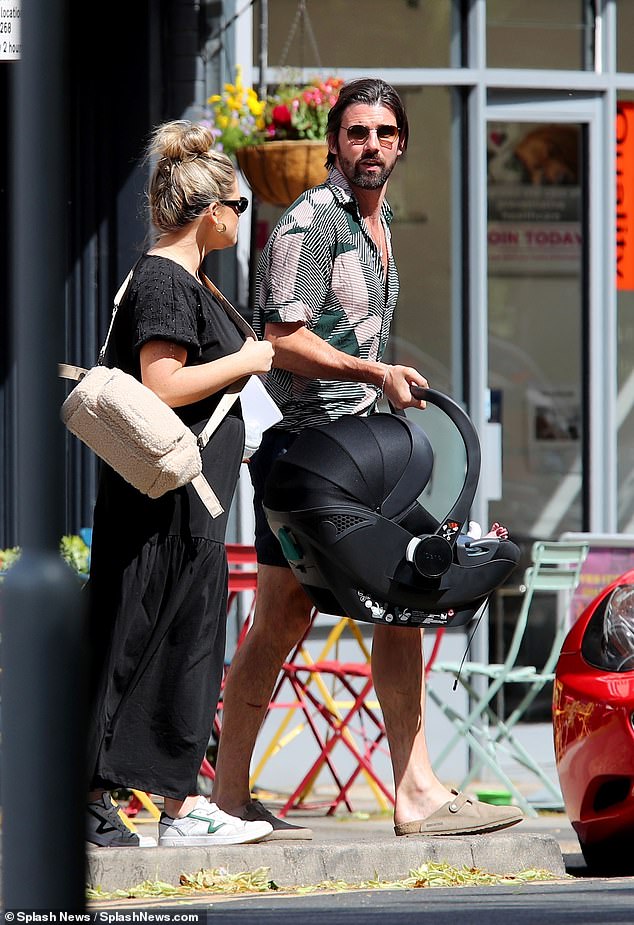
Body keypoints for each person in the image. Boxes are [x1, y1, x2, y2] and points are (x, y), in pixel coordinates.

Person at [212, 78, 524, 839]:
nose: (372, 146)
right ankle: (411, 793)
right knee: (405, 584)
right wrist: (374, 375)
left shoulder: (378, 229)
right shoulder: (311, 225)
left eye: (385, 132)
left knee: (294, 614)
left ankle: (227, 798)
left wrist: (376, 383)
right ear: (332, 143)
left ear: (402, 143)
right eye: (357, 133)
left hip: (348, 456)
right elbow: (281, 338)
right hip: (313, 454)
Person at [85, 120, 275, 848]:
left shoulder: (183, 276)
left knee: (179, 647)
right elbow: (163, 383)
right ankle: (105, 797)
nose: (242, 218)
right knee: (140, 644)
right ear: (211, 211)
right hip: (164, 510)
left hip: (186, 506)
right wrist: (248, 359)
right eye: (241, 204)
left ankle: (173, 802)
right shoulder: (166, 278)